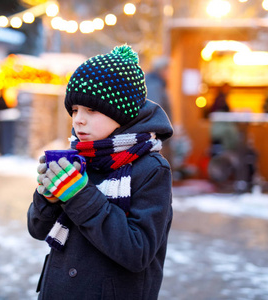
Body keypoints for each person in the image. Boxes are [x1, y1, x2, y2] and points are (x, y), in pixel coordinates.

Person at [27, 45, 173, 299]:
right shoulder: (79, 158)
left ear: (122, 112)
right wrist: (47, 198)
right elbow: (37, 229)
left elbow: (137, 251)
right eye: (74, 110)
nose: (78, 120)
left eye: (91, 110)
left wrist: (78, 194)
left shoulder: (151, 170)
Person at [145, 56, 172, 161]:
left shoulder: (157, 84)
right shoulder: (154, 85)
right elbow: (154, 111)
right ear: (162, 70)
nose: (170, 72)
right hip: (158, 138)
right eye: (168, 69)